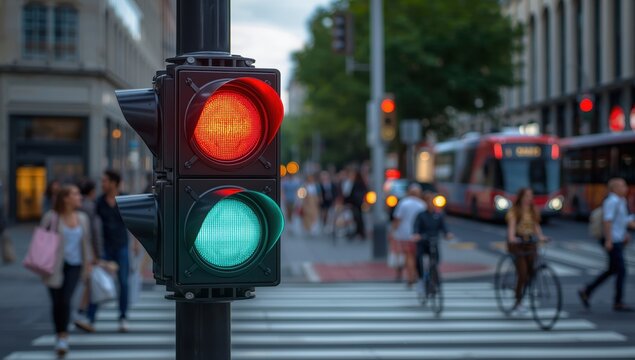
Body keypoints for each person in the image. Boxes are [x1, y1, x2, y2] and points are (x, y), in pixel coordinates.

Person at [40, 184, 94, 356]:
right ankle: (59, 334)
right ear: (66, 198)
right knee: (57, 303)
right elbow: (41, 241)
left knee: (65, 300)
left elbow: (87, 243)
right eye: (76, 194)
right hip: (53, 267)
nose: (80, 197)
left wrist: (90, 263)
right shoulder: (52, 217)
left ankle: (63, 338)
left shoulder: (83, 218)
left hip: (75, 265)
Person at [86, 170, 138, 332]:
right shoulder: (99, 202)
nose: (102, 184)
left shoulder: (125, 199)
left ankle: (122, 317)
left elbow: (133, 222)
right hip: (104, 249)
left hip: (122, 246)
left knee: (123, 283)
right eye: (102, 181)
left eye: (105, 181)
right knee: (97, 281)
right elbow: (93, 228)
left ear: (115, 183)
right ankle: (90, 318)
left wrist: (136, 242)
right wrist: (94, 253)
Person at [578, 178, 635, 312]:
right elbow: (607, 221)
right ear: (614, 188)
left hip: (617, 239)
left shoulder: (621, 201)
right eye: (622, 186)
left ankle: (587, 290)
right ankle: (618, 301)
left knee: (612, 270)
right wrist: (609, 240)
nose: (625, 188)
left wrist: (624, 234)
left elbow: (623, 220)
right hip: (612, 240)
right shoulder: (612, 201)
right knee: (621, 270)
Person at [505, 187, 547, 313]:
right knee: (522, 273)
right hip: (518, 243)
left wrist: (541, 237)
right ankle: (518, 300)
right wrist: (512, 237)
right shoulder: (515, 211)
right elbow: (511, 227)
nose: (529, 198)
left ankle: (521, 291)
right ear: (521, 197)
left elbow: (536, 226)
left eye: (531, 196)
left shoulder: (532, 210)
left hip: (529, 242)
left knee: (531, 272)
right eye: (527, 196)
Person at [412, 191, 454, 296]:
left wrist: (447, 234)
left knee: (435, 262)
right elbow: (416, 227)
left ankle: (434, 281)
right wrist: (416, 235)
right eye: (428, 201)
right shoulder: (421, 215)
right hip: (423, 242)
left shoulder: (438, 215)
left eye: (432, 201)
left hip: (433, 242)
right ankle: (421, 281)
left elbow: (444, 228)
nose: (431, 203)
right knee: (419, 261)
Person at [74, 178, 102, 332]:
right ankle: (80, 313)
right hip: (86, 250)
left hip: (74, 249)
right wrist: (97, 254)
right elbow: (95, 232)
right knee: (88, 284)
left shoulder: (75, 207)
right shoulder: (90, 207)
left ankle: (81, 314)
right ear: (92, 192)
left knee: (84, 283)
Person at [391, 183, 426, 286]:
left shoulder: (404, 203)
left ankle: (410, 277)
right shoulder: (422, 204)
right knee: (415, 255)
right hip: (417, 234)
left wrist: (393, 231)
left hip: (404, 233)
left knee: (408, 256)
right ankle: (414, 275)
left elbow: (397, 219)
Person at [345, 170, 368, 240]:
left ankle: (359, 232)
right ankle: (359, 232)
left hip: (356, 203)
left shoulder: (356, 183)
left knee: (358, 218)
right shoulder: (360, 183)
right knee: (358, 218)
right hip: (358, 203)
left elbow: (352, 194)